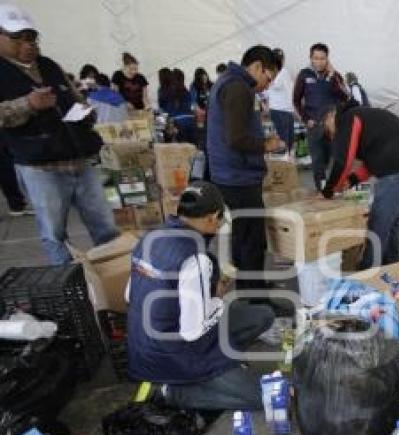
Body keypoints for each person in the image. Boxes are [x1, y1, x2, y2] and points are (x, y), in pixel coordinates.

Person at [126, 182, 275, 411]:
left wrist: (202, 298)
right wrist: (217, 298)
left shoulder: (150, 237)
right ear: (212, 218)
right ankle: (175, 392)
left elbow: (129, 295)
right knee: (265, 398)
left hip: (142, 347)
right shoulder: (195, 259)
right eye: (220, 220)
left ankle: (225, 363)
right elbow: (192, 331)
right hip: (174, 353)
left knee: (262, 315)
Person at [0, 4, 119, 264]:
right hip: (41, 168)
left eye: (31, 37)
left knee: (106, 227)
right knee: (55, 234)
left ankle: (115, 279)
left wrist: (87, 112)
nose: (28, 44)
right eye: (18, 38)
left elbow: (75, 97)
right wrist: (27, 104)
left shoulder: (50, 66)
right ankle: (69, 287)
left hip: (80, 160)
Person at [206, 45, 281, 291]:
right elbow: (236, 138)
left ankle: (249, 286)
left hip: (229, 174)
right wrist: (266, 145)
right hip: (238, 177)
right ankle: (257, 298)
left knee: (242, 236)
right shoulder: (239, 88)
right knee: (252, 241)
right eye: (268, 78)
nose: (267, 85)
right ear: (257, 66)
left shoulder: (228, 82)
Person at [320, 102, 399, 268]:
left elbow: (343, 161)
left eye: (329, 131)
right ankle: (390, 263)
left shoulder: (347, 118)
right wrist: (351, 181)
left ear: (330, 116)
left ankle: (369, 270)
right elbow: (371, 163)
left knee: (378, 222)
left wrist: (328, 190)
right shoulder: (363, 117)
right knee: (391, 220)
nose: (332, 136)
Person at [293, 43, 349, 190]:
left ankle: (335, 189)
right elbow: (296, 100)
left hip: (332, 128)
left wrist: (332, 76)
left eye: (322, 58)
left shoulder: (335, 76)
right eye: (316, 58)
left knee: (335, 160)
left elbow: (345, 96)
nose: (319, 62)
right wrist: (306, 119)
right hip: (314, 126)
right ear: (310, 58)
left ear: (327, 59)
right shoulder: (304, 75)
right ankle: (322, 191)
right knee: (318, 163)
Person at [267, 48, 296, 151]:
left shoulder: (284, 71)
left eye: (280, 58)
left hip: (287, 110)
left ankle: (288, 161)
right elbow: (272, 86)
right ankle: (283, 163)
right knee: (284, 140)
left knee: (290, 139)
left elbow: (290, 89)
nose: (280, 60)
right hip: (279, 110)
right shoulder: (273, 71)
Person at [161, 69, 195, 143]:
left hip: (177, 122)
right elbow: (189, 105)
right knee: (192, 146)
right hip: (190, 120)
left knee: (182, 147)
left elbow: (166, 110)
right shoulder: (186, 91)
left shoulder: (167, 92)